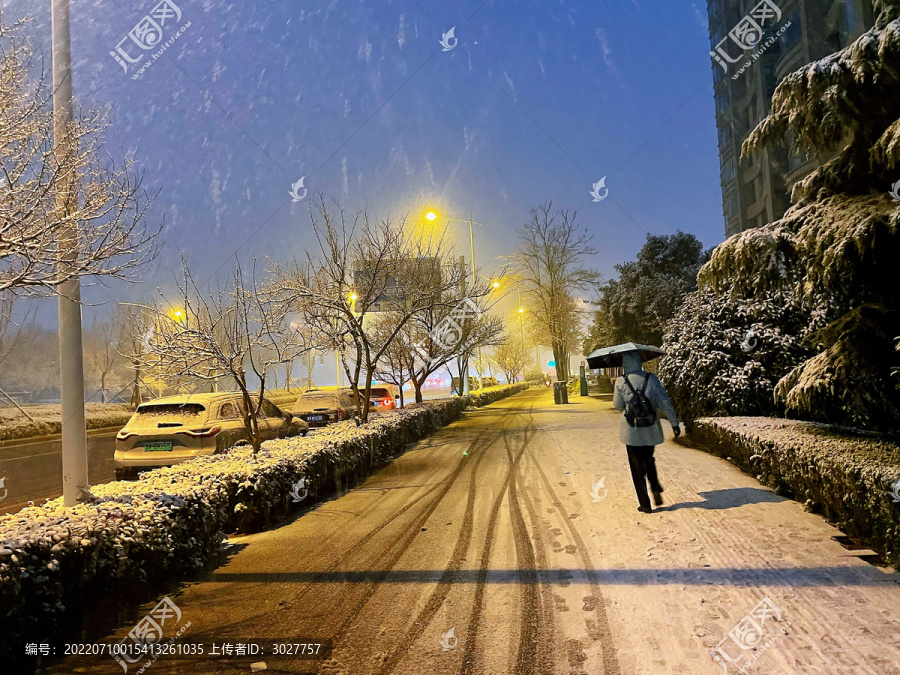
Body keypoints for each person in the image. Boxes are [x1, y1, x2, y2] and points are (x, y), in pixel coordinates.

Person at [612, 351, 681, 514]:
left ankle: (645, 504)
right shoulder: (652, 379)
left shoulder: (621, 381)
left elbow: (618, 406)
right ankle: (655, 486)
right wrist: (674, 423)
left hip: (632, 431)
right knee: (648, 458)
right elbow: (665, 402)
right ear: (639, 361)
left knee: (637, 468)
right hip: (650, 430)